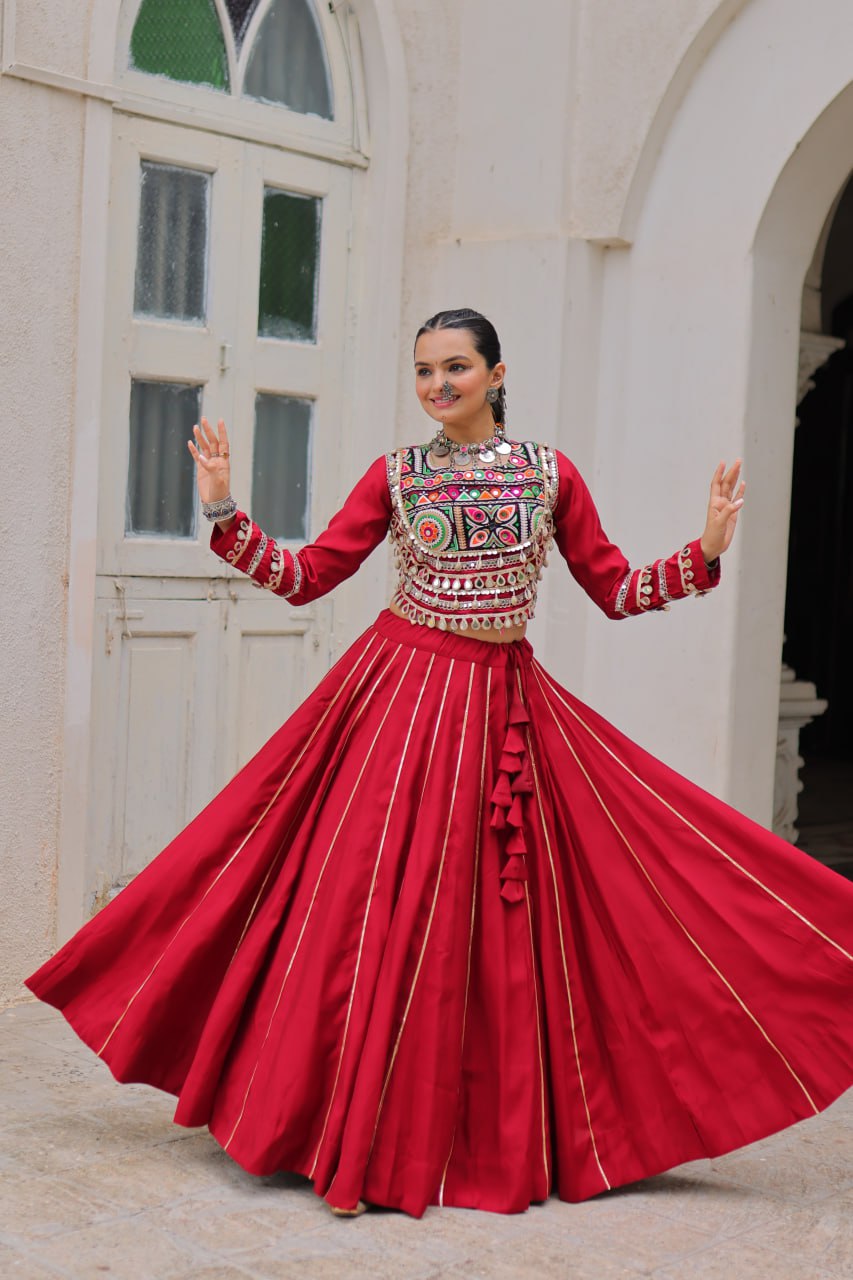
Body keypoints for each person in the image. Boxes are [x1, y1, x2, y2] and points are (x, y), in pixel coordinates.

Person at [26, 308, 853, 1221]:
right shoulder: (396, 475)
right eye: (423, 370)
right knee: (377, 906)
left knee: (520, 914)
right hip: (402, 699)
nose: (436, 385)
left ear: (496, 374)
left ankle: (471, 1133)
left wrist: (702, 552)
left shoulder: (548, 474)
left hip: (503, 705)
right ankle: (345, 1133)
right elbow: (307, 578)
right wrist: (223, 510)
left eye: (455, 367)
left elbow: (614, 590)